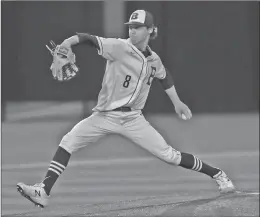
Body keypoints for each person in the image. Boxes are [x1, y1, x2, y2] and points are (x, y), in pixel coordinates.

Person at [17, 9, 235, 208]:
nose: (132, 30)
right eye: (130, 26)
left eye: (138, 27)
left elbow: (164, 77)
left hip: (133, 120)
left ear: (150, 30)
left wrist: (177, 102)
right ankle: (43, 191)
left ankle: (217, 174)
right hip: (103, 116)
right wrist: (67, 43)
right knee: (67, 142)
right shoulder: (120, 47)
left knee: (170, 156)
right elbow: (88, 39)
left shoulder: (154, 59)